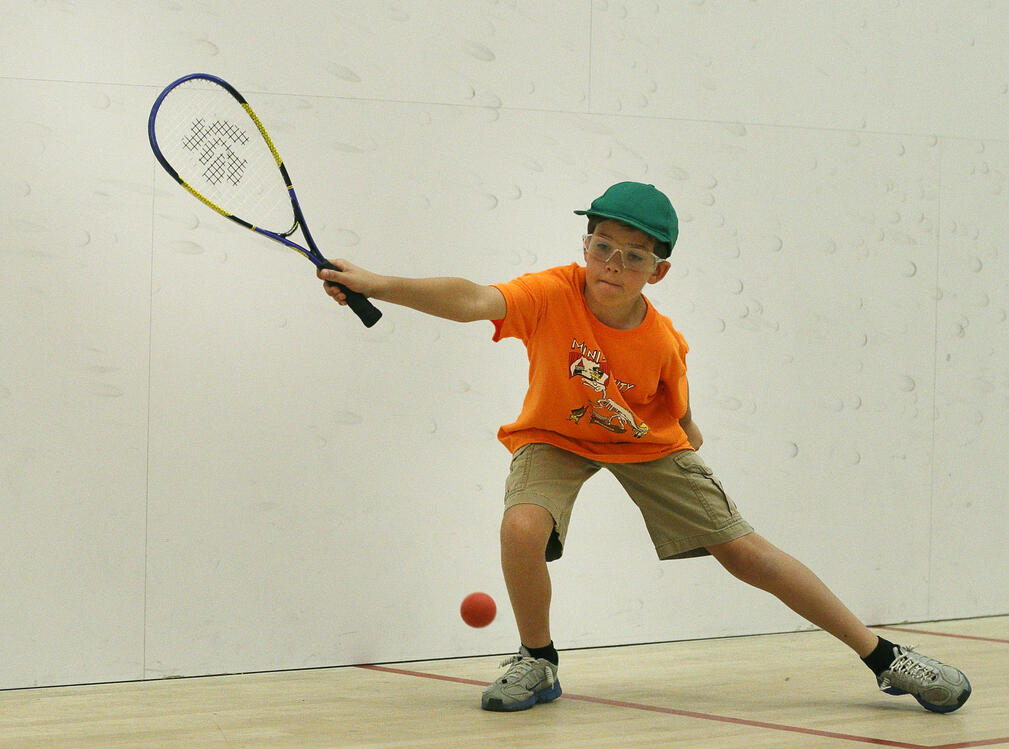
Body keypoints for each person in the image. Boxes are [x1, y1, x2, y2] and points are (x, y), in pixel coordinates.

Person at [318, 182, 972, 714]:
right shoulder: (549, 293)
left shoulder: (662, 341)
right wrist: (378, 284)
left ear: (658, 271)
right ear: (585, 246)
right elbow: (472, 300)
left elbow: (681, 416)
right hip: (554, 435)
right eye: (603, 246)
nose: (613, 264)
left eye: (634, 256)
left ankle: (885, 657)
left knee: (746, 553)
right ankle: (538, 661)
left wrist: (688, 462)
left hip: (643, 445)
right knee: (522, 527)